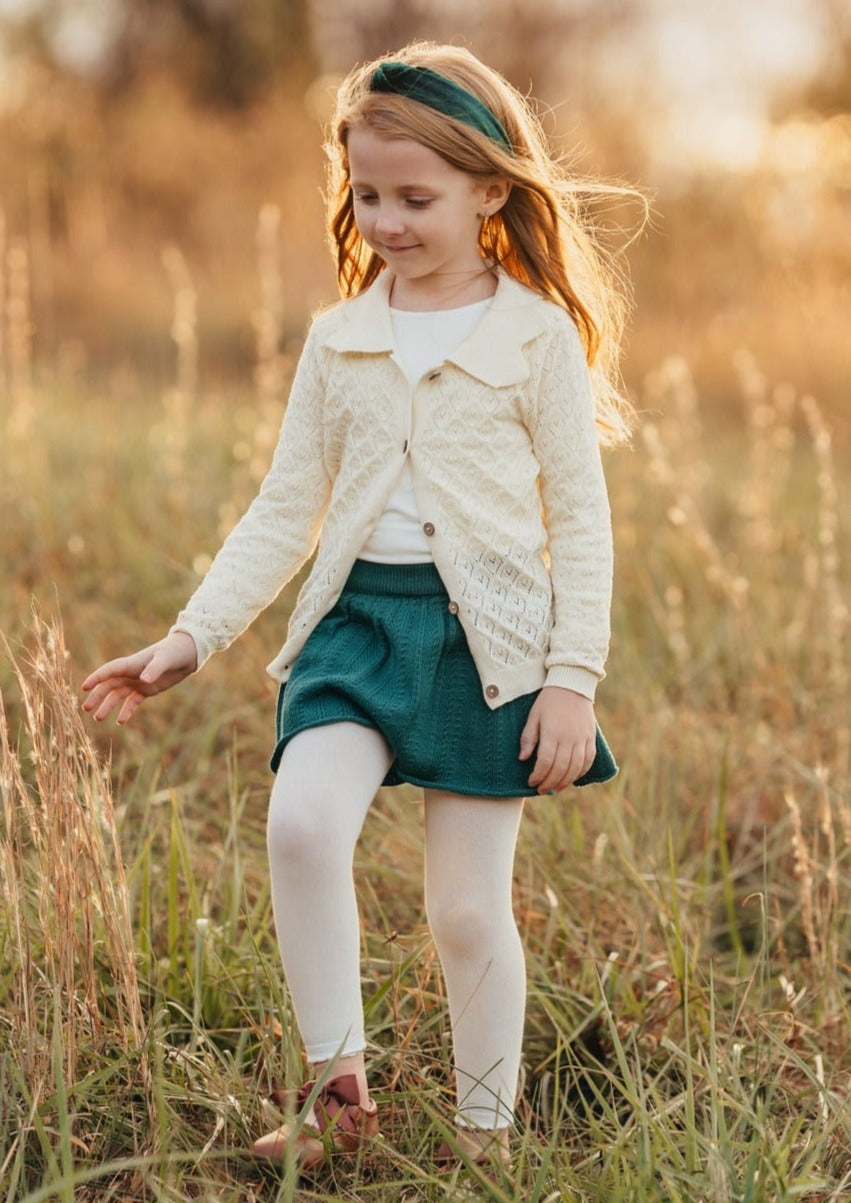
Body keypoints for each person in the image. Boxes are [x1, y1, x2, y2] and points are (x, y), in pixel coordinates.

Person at [82, 41, 641, 1176]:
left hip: (490, 647)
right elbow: (285, 510)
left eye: (414, 197)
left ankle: (486, 1138)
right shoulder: (339, 340)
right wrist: (193, 636)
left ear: (491, 190)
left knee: (467, 911)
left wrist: (570, 677)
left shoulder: (533, 339)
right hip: (355, 630)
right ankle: (338, 1095)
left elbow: (579, 524)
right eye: (367, 194)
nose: (386, 220)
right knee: (299, 824)